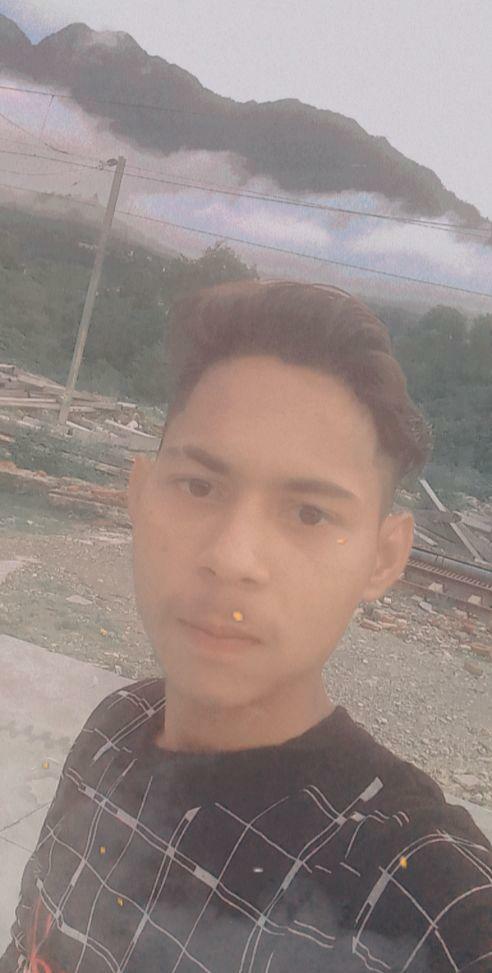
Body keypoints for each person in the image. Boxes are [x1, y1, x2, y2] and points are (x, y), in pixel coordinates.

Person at [1, 280, 490, 973]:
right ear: (139, 494)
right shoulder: (113, 730)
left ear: (385, 557)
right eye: (199, 486)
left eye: (309, 513)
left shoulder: (415, 896)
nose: (232, 557)